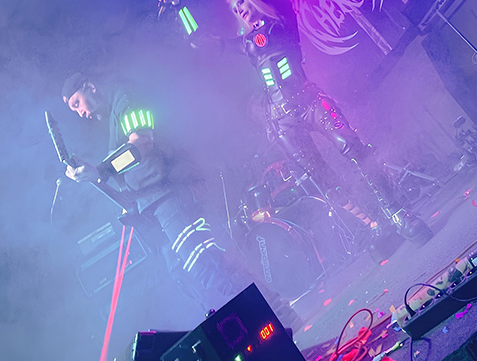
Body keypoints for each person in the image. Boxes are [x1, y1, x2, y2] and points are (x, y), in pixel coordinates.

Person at [61, 72, 302, 326]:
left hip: (172, 199)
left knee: (211, 266)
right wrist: (96, 175)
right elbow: (124, 169)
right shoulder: (112, 118)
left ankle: (279, 318)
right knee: (191, 278)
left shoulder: (126, 97)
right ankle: (261, 327)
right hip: (157, 210)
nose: (80, 112)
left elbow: (141, 144)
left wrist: (101, 170)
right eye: (73, 109)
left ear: (90, 87)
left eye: (77, 103)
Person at [221, 0, 431, 245]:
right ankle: (375, 225)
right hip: (282, 120)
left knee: (354, 147)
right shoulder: (245, 43)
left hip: (309, 100)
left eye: (241, 2)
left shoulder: (281, 20)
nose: (239, 9)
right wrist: (177, 6)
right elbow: (201, 42)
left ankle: (398, 214)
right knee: (320, 177)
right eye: (234, 9)